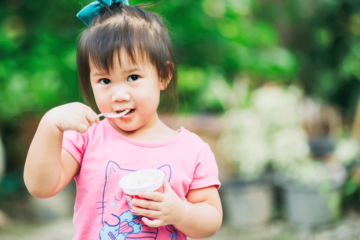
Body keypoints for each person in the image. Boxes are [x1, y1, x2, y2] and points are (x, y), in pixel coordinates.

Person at [24, 0, 222, 239]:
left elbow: (211, 219)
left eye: (133, 76)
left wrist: (180, 213)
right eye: (105, 81)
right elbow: (41, 187)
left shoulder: (192, 150)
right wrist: (49, 125)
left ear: (163, 76)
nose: (119, 95)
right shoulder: (86, 136)